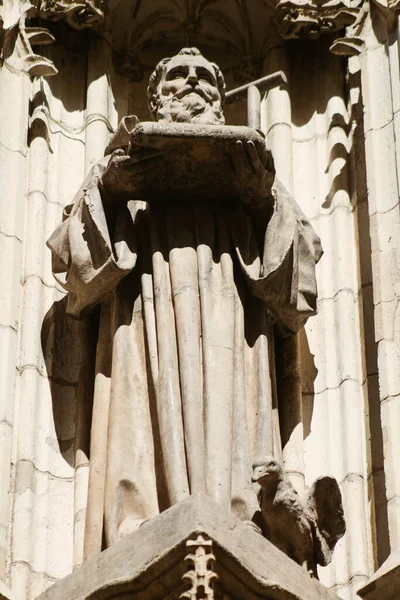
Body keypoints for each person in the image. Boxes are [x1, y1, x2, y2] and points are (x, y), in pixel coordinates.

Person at [47, 47, 322, 560]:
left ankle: (241, 527)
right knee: (145, 412)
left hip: (234, 327)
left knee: (230, 425)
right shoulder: (120, 167)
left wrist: (260, 198)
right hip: (143, 320)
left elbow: (300, 288)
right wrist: (111, 188)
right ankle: (139, 528)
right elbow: (73, 267)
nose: (192, 82)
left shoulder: (258, 179)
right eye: (178, 74)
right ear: (156, 97)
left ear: (222, 98)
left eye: (205, 77)